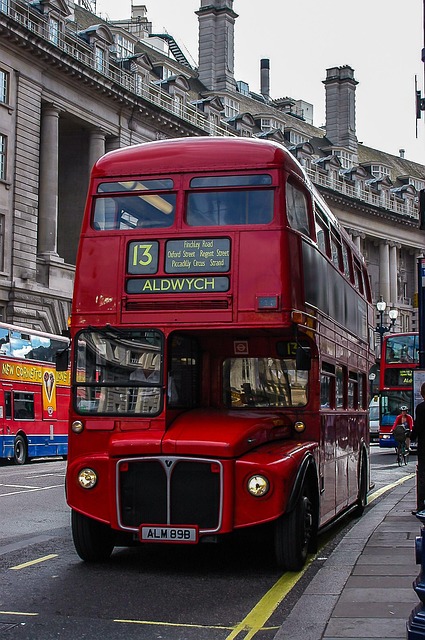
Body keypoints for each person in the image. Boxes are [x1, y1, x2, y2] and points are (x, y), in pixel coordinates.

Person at [411, 383, 425, 514]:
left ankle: (421, 507)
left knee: (422, 477)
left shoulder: (421, 408)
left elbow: (418, 426)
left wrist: (412, 436)